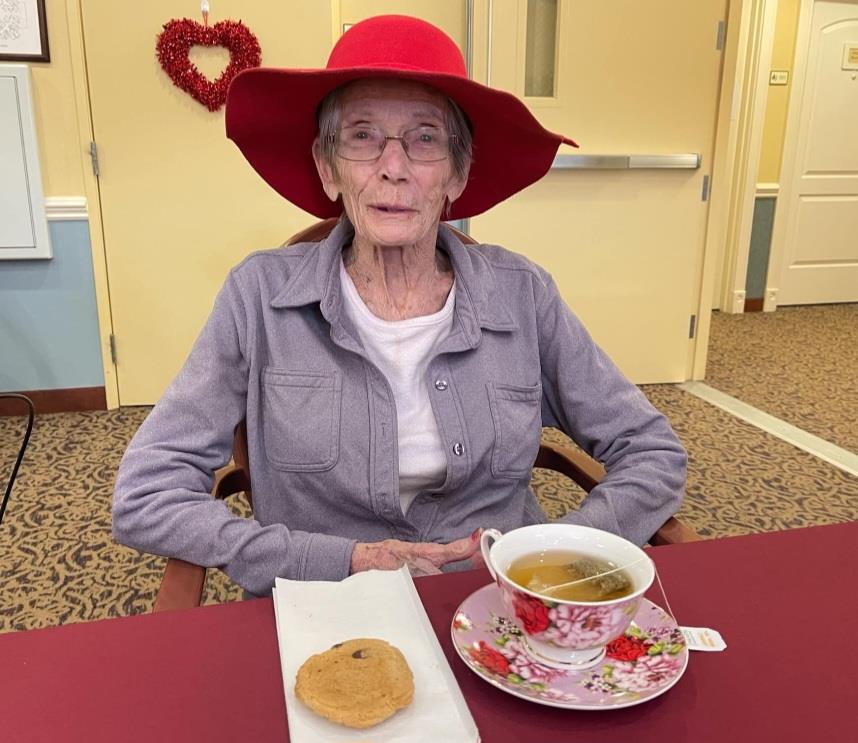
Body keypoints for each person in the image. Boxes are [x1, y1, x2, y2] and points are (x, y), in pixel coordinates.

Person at [113, 15, 687, 597]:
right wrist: (327, 558)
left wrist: (549, 557)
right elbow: (146, 494)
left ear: (457, 173)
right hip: (323, 604)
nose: (394, 166)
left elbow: (652, 451)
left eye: (425, 138)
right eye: (362, 136)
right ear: (326, 165)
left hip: (499, 606)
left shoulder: (522, 294)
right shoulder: (257, 295)